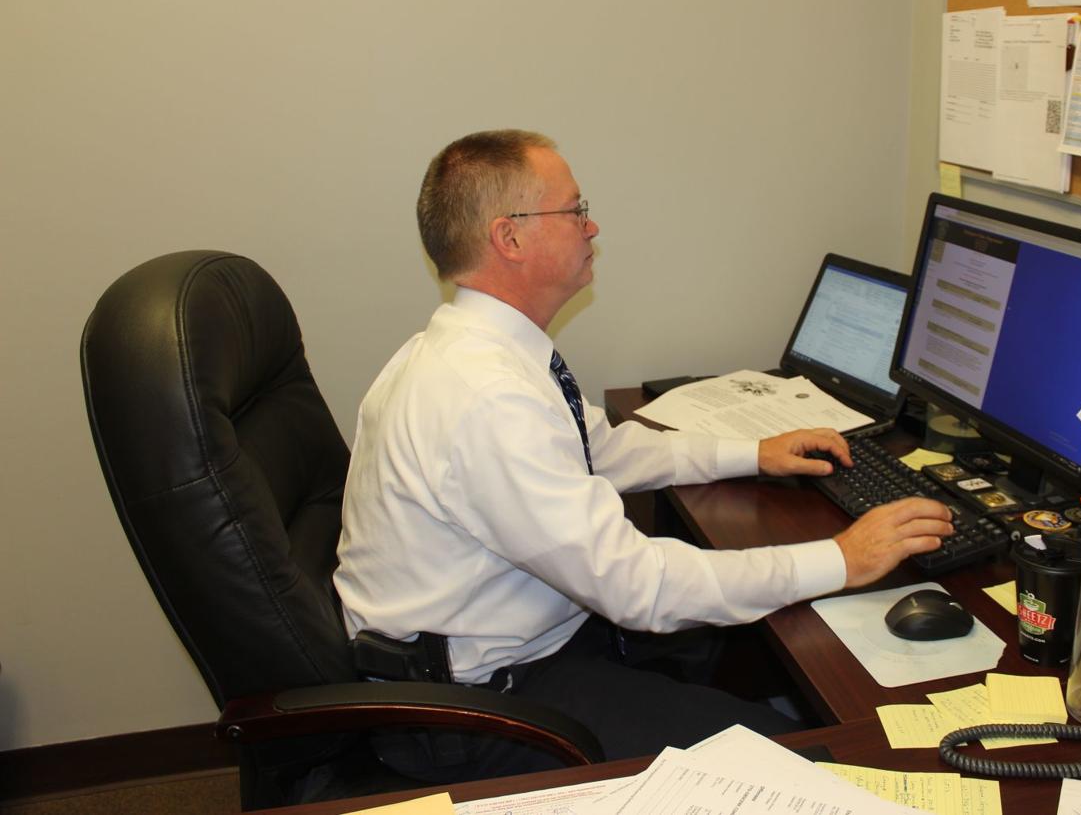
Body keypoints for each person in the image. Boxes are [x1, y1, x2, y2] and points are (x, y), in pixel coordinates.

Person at [334, 129, 953, 778]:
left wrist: (752, 452)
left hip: (513, 646)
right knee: (815, 764)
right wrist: (843, 559)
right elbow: (640, 589)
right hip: (477, 706)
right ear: (509, 239)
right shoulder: (487, 398)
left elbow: (599, 450)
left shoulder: (472, 352)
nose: (591, 225)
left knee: (740, 658)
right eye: (573, 210)